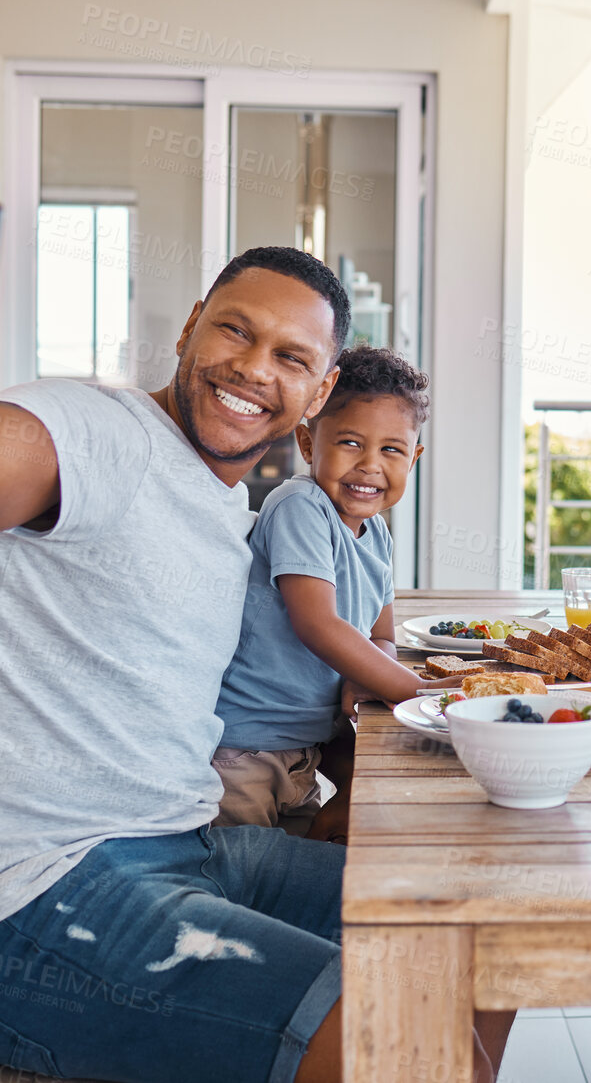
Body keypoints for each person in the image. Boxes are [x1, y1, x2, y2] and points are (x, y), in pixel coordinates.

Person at [0, 177, 510, 1083]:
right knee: (405, 1038)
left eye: (291, 356)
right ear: (188, 329)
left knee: (480, 930)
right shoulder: (100, 434)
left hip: (191, 845)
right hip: (32, 902)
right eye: (234, 330)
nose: (256, 367)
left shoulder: (229, 510)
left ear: (320, 389)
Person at [213, 347, 458, 841]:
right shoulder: (300, 505)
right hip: (248, 751)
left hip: (307, 746)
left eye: (391, 450)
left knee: (342, 834)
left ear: (414, 457)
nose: (369, 465)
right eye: (349, 442)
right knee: (235, 878)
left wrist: (363, 675)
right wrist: (418, 692)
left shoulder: (378, 534)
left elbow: (380, 634)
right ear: (308, 441)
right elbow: (318, 624)